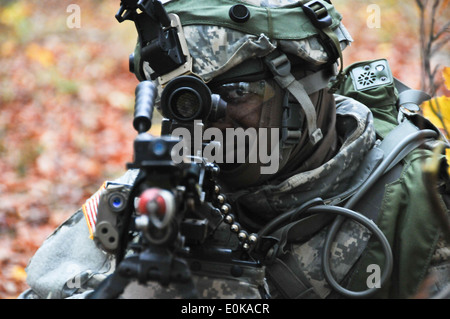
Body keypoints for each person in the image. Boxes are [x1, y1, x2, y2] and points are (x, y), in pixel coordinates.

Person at [20, 0, 449, 299]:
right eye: (185, 100)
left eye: (235, 92)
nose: (207, 123)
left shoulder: (421, 200)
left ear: (306, 85)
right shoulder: (162, 198)